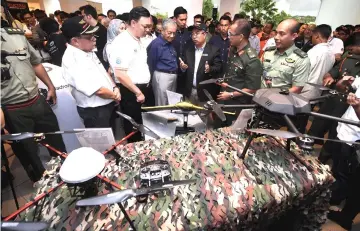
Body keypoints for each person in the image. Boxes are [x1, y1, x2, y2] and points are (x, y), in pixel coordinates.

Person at [1, 19, 66, 182]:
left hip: (37, 100)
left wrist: (50, 86)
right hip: (12, 109)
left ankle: (65, 175)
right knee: (28, 152)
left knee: (56, 140)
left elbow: (36, 63)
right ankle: (40, 185)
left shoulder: (15, 36)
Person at [309, 32, 360, 163]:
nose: (350, 49)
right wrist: (330, 76)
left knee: (334, 135)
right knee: (317, 127)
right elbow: (335, 70)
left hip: (349, 107)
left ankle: (323, 161)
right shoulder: (348, 59)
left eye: (353, 47)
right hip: (332, 100)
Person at [61, 16, 120, 128]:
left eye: (93, 35)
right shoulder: (72, 60)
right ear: (75, 41)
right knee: (102, 144)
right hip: (95, 111)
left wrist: (115, 87)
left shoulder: (87, 50)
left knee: (112, 140)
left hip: (107, 104)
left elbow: (103, 72)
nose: (94, 39)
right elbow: (97, 90)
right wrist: (115, 96)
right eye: (89, 37)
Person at [108, 6, 152, 143]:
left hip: (141, 89)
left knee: (141, 124)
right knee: (133, 125)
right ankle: (135, 152)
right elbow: (120, 74)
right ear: (133, 23)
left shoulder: (137, 39)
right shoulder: (122, 42)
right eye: (145, 26)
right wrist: (138, 92)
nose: (147, 29)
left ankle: (142, 147)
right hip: (131, 91)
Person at [327, 76, 360, 230]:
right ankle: (335, 198)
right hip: (343, 130)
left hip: (354, 139)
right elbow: (344, 90)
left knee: (348, 177)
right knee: (339, 168)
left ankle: (341, 209)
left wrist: (356, 107)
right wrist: (342, 84)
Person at [217, 19, 263, 126]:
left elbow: (252, 88)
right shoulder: (233, 50)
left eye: (231, 34)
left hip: (237, 105)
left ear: (241, 37)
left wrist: (231, 94)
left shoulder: (252, 60)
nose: (229, 37)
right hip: (224, 99)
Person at [261, 19, 310, 94]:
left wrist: (272, 97)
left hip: (279, 102)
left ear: (293, 36)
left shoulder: (301, 59)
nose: (276, 37)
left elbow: (297, 89)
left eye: (281, 34)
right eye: (276, 33)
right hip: (257, 98)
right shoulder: (268, 52)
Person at [179, 23, 222, 105]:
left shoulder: (214, 50)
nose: (194, 36)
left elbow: (218, 68)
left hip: (205, 93)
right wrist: (182, 67)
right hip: (189, 92)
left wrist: (210, 69)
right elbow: (183, 64)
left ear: (205, 34)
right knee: (189, 116)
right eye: (192, 34)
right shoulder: (188, 49)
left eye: (197, 33)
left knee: (203, 117)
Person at [147, 19, 178, 106]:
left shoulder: (170, 42)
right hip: (162, 76)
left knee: (171, 103)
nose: (172, 35)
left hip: (172, 75)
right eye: (169, 33)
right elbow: (150, 63)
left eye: (174, 33)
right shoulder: (156, 44)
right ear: (162, 31)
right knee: (162, 104)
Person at [301, 24, 335, 100]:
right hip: (317, 94)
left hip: (303, 92)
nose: (311, 38)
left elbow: (303, 71)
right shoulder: (331, 54)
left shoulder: (314, 52)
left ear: (316, 36)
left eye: (312, 36)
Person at [82, 5, 108, 69]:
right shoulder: (86, 29)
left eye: (83, 16)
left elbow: (104, 48)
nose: (82, 19)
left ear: (89, 16)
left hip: (102, 62)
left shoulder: (102, 30)